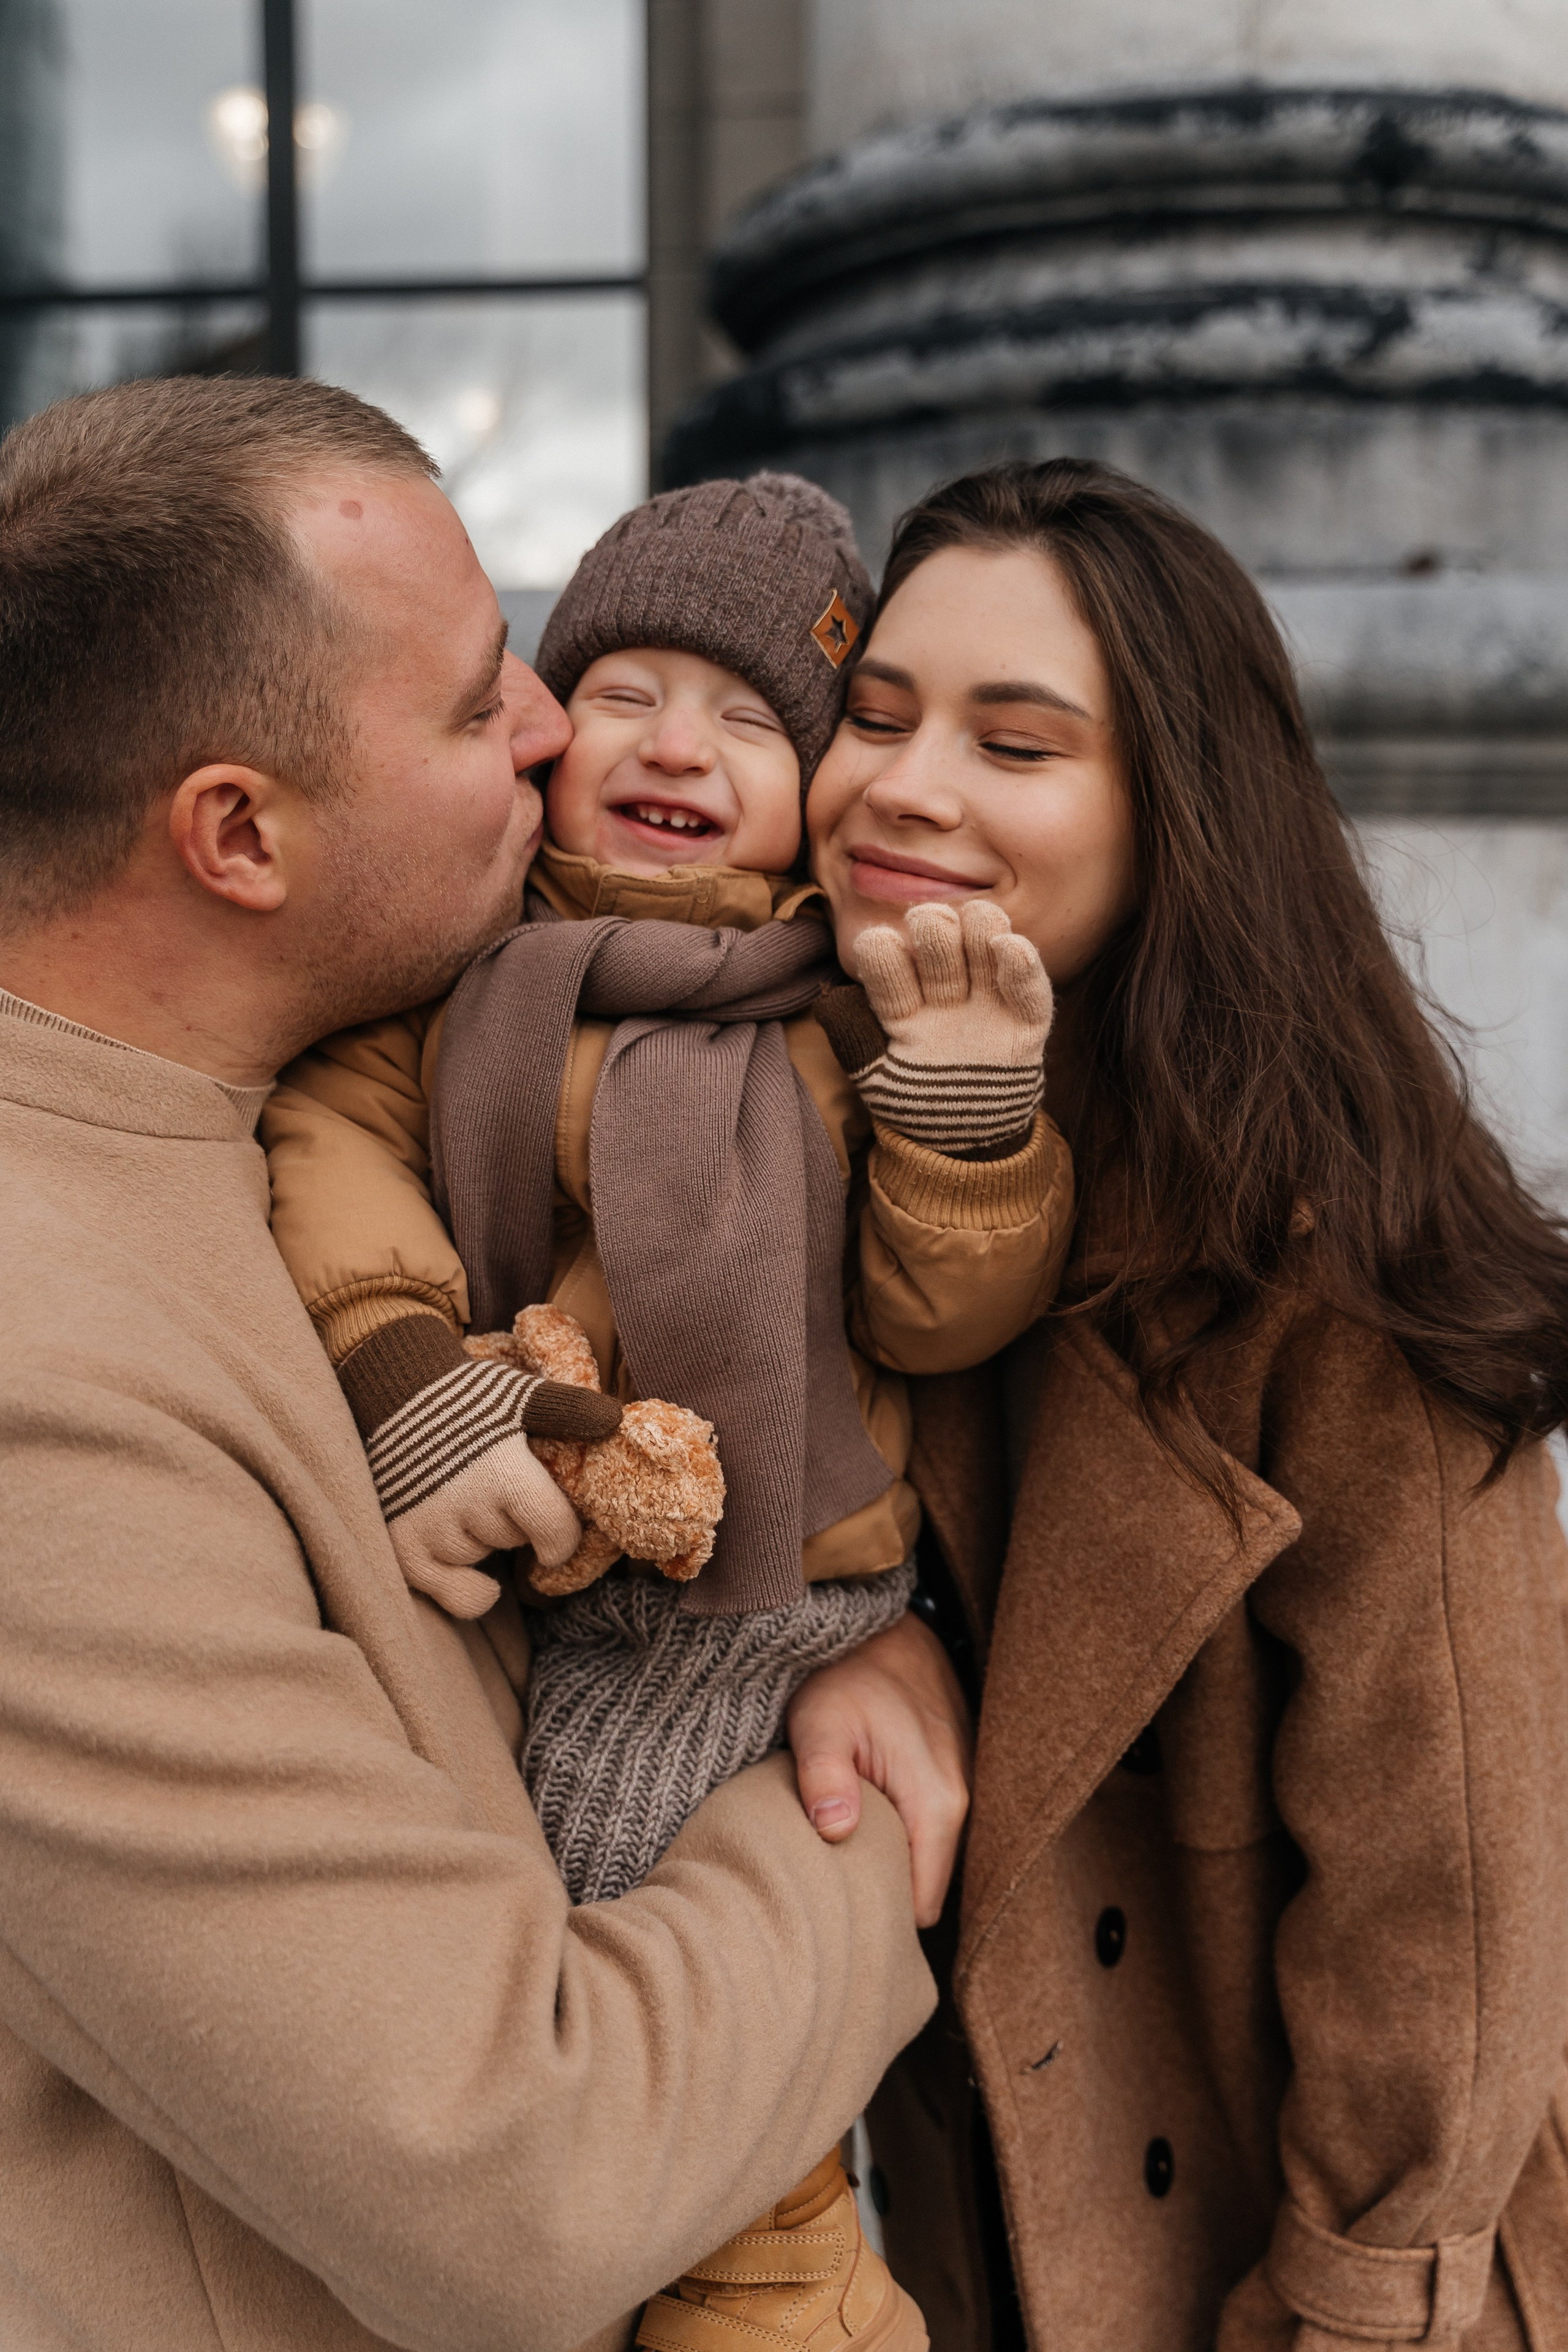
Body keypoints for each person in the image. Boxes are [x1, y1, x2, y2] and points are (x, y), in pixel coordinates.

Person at [0, 375, 974, 2352]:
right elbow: (524, 2182)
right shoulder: (42, 1387)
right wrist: (867, 1789)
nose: (559, 727)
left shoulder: (318, 1100)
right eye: (476, 704)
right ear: (238, 836)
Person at [260, 471, 1073, 2352]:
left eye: (745, 719)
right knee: (575, 1956)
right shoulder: (466, 985)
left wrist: (966, 1122)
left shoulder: (856, 1008)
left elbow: (939, 1322)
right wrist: (405, 1368)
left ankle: (783, 2290)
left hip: (806, 1600)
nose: (676, 744)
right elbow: (331, 1145)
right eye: (623, 691)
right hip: (562, 1582)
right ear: (547, 734)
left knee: (730, 2025)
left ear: (814, 789)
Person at [804, 458, 1568, 2352]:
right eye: (875, 715)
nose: (905, 785)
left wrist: (1359, 2307)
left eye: (1019, 741)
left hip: (1308, 2257)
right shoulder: (790, 1133)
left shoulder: (1327, 1252)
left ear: (1175, 814)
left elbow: (1449, 1887)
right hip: (975, 2236)